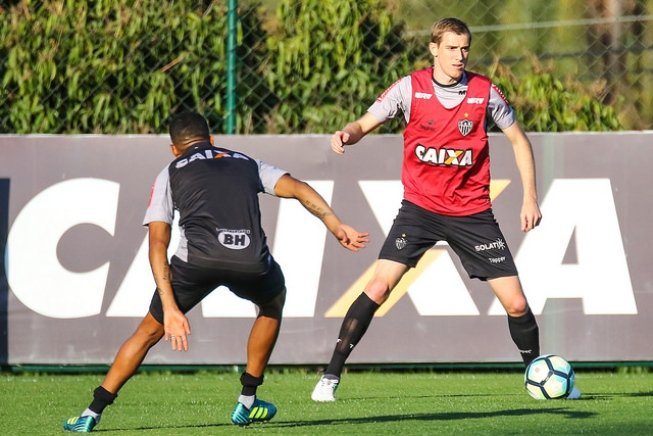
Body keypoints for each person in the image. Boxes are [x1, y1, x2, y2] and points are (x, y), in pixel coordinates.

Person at [311, 17, 577, 402]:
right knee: (378, 286)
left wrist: (530, 197)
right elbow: (364, 123)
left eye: (465, 48)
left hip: (472, 213)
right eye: (451, 48)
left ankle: (537, 375)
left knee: (517, 303)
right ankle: (330, 378)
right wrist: (346, 135)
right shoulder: (410, 88)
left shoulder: (484, 92)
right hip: (419, 209)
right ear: (434, 49)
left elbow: (519, 141)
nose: (460, 56)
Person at [63, 111, 369, 432]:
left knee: (146, 333)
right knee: (272, 303)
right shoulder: (246, 162)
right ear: (211, 140)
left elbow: (157, 244)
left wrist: (170, 308)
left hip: (196, 263)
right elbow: (300, 188)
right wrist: (335, 225)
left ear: (174, 148)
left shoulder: (170, 171)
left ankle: (91, 413)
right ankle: (248, 399)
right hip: (250, 259)